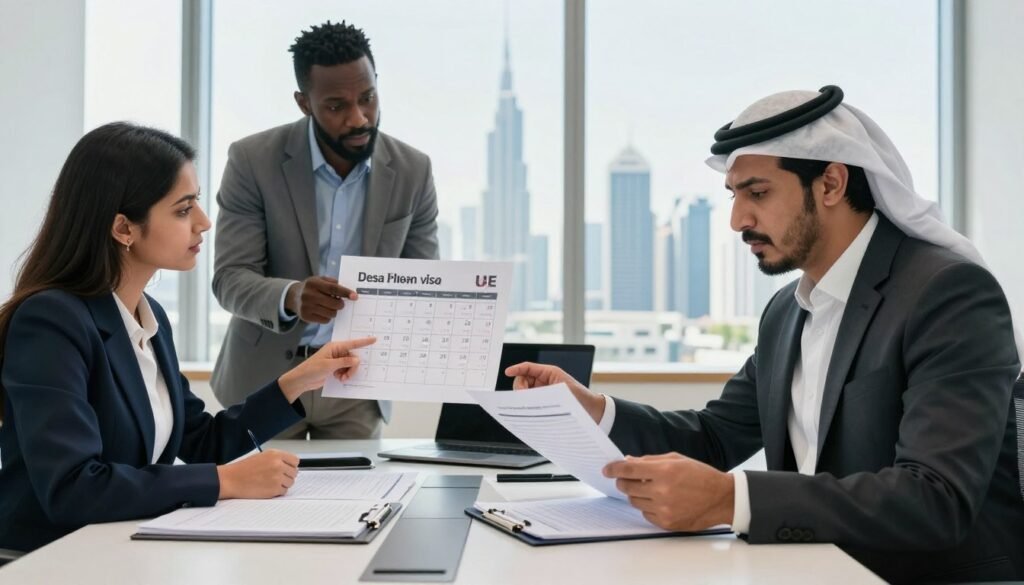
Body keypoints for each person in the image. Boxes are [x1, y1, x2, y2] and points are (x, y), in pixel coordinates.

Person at [507, 86, 1024, 582]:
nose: (737, 219)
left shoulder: (946, 293)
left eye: (757, 193)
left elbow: (935, 499)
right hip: (807, 569)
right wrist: (592, 409)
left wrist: (732, 499)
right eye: (733, 195)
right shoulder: (786, 310)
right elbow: (714, 438)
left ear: (831, 184)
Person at [0, 122, 375, 553]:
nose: (204, 222)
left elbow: (203, 441)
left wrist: (299, 380)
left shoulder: (148, 315)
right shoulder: (51, 321)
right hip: (46, 559)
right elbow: (73, 488)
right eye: (183, 210)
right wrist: (226, 481)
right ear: (124, 228)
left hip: (119, 548)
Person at [211, 20, 439, 440]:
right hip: (264, 381)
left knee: (363, 505)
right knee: (258, 506)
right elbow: (229, 279)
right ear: (304, 103)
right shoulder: (251, 161)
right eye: (336, 106)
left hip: (355, 384)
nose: (359, 117)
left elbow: (421, 284)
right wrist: (292, 296)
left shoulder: (413, 170)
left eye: (368, 98)